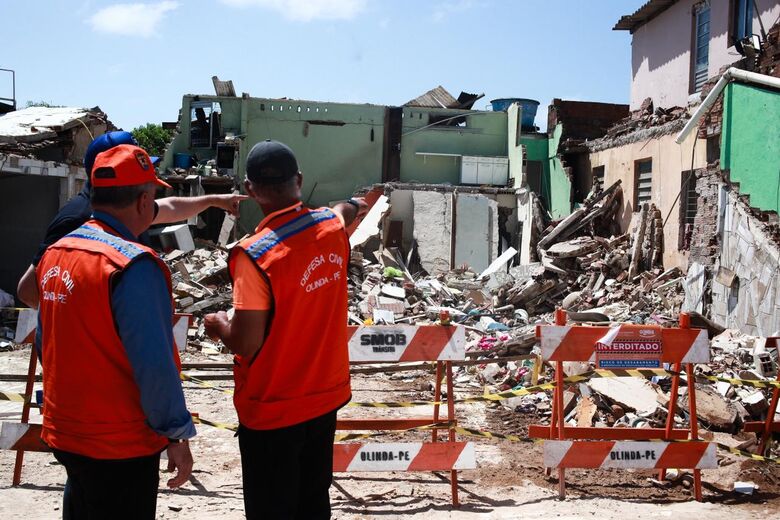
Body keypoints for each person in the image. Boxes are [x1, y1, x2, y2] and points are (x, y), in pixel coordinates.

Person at [204, 139, 367, 519]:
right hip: (325, 397)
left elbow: (245, 340)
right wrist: (357, 203)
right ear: (299, 180)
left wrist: (219, 325)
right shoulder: (331, 226)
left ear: (250, 190)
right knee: (313, 502)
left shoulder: (255, 255)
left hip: (274, 408)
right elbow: (345, 210)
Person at [36, 144, 196, 519]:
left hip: (66, 432)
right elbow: (155, 364)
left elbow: (48, 341)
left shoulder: (57, 253)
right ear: (144, 201)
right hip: (119, 443)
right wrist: (175, 434)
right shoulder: (133, 265)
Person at [16, 130, 247, 308]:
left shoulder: (127, 210)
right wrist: (86, 324)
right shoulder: (77, 219)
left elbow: (170, 207)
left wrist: (215, 200)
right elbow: (28, 290)